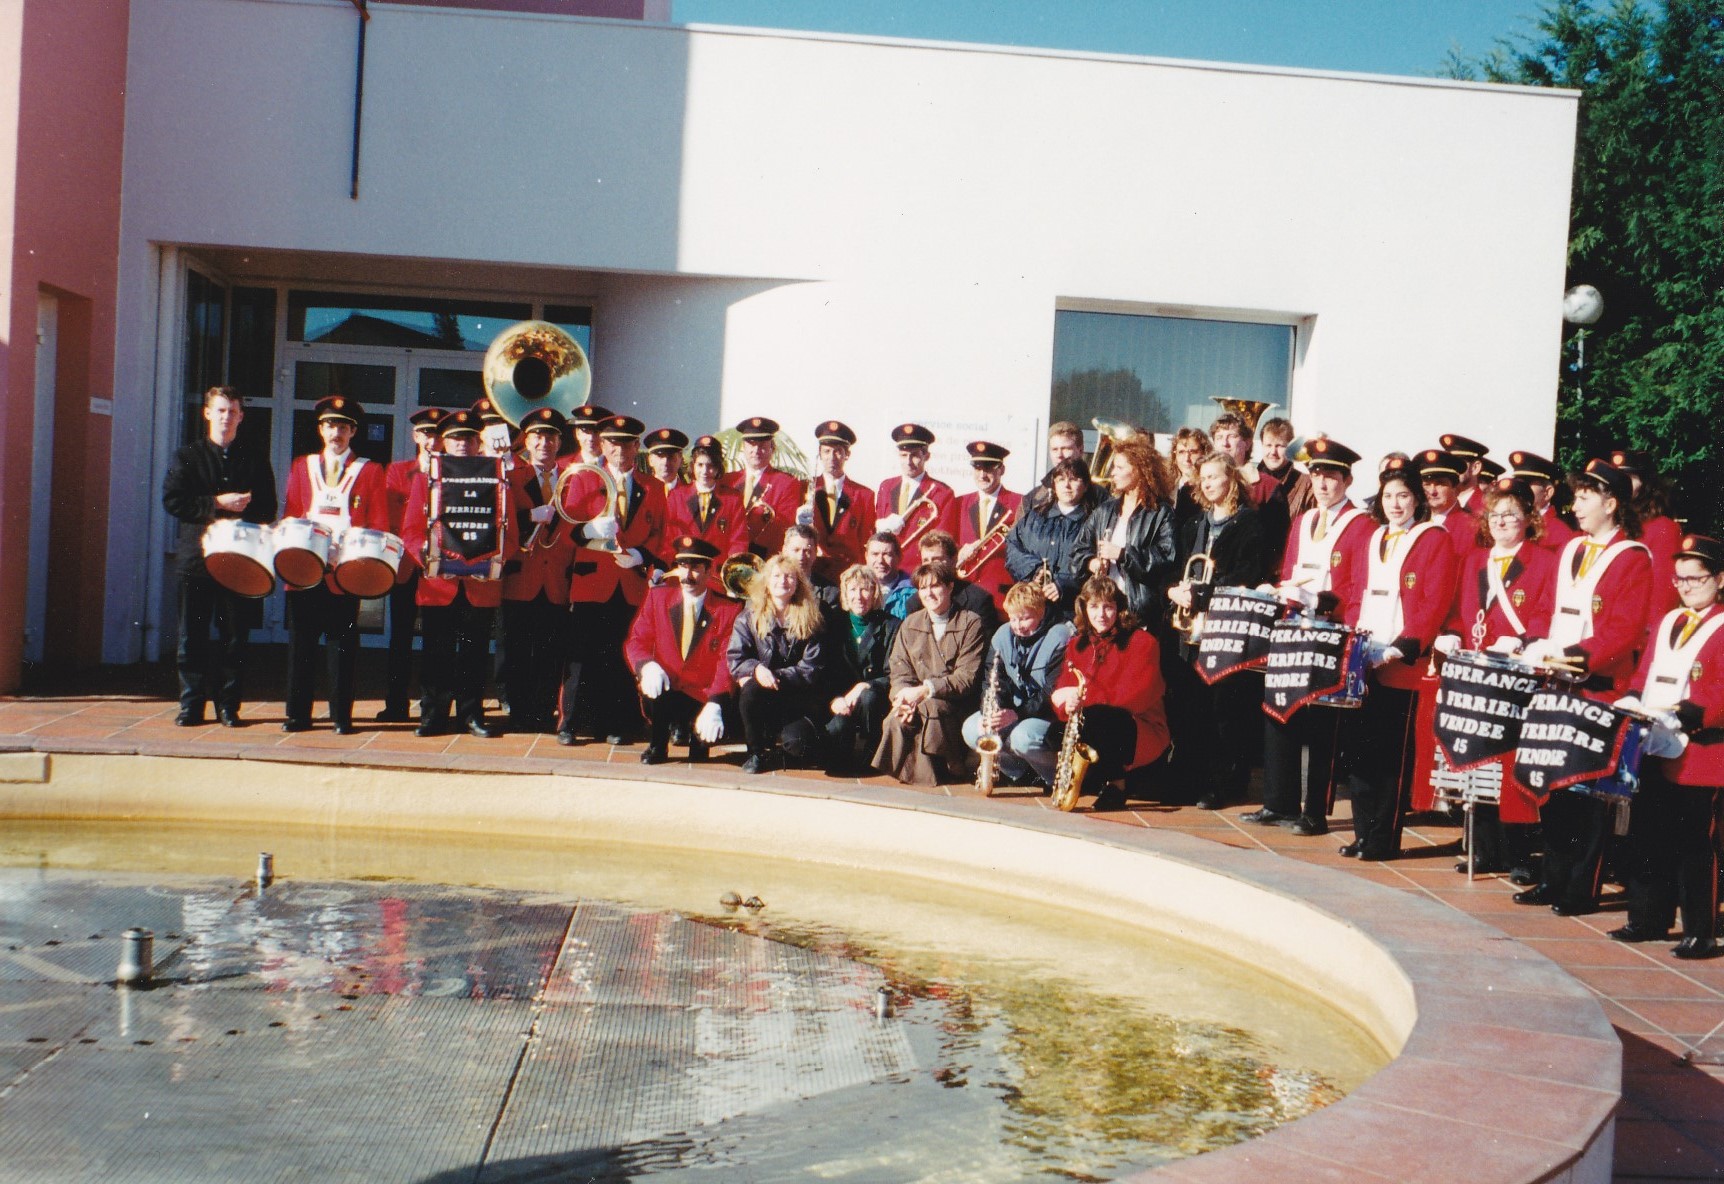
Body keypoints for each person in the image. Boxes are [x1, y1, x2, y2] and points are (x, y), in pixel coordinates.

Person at [1514, 459, 1654, 915]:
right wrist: (1536, 643)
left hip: (1597, 685)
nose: (1575, 506)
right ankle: (1552, 878)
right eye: (1576, 497)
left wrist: (1577, 656)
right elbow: (1548, 607)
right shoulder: (1571, 548)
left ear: (1611, 505)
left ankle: (1581, 888)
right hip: (1557, 682)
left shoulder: (1632, 556)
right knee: (1553, 785)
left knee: (1589, 790)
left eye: (1585, 498)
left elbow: (1625, 629)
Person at [1428, 477, 1557, 877]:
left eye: (1511, 514)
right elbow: (1457, 610)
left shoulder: (1545, 561)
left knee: (1510, 764)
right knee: (1477, 757)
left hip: (1515, 675)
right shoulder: (1474, 560)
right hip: (1476, 673)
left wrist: (1523, 640)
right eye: (1495, 515)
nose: (1501, 522)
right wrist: (1451, 633)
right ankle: (1483, 850)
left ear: (1528, 519)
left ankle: (1518, 854)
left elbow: (1546, 612)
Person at [1334, 456, 1458, 860]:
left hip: (1402, 664)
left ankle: (1383, 840)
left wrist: (1401, 646)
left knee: (1391, 757)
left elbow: (1434, 601)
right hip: (1365, 661)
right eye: (1388, 496)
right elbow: (1356, 592)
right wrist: (1357, 637)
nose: (1395, 504)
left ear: (1416, 499)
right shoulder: (1374, 537)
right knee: (1360, 753)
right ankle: (1362, 834)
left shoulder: (1434, 538)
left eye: (1403, 495)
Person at [1247, 438, 1373, 833]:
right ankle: (1278, 802)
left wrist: (1320, 603)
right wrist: (1281, 592)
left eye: (1331, 476)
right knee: (1279, 710)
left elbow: (1359, 584)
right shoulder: (1303, 521)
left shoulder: (1361, 524)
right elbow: (1290, 571)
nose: (1322, 483)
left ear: (1347, 480)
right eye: (1317, 474)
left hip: (1331, 629)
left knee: (1322, 726)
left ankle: (1315, 811)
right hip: (1295, 626)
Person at [1612, 534, 1724, 959]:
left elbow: (1720, 689)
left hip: (1700, 751)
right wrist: (1633, 697)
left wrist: (1688, 711)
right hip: (1655, 744)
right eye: (1680, 579)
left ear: (1719, 579)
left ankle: (1700, 931)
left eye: (1696, 579)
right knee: (1649, 835)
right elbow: (1647, 671)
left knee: (1695, 844)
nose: (1687, 587)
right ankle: (1647, 918)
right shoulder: (1668, 621)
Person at [161, 386, 279, 728]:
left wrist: (243, 511)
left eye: (233, 412)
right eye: (221, 410)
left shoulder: (254, 458)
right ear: (208, 413)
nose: (226, 417)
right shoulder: (187, 456)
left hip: (240, 561)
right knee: (192, 637)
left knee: (235, 638)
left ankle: (229, 706)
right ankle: (191, 706)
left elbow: (268, 508)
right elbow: (173, 501)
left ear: (241, 417)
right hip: (196, 561)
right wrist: (216, 503)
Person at [401, 408, 518, 738]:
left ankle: (471, 715)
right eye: (455, 438)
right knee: (435, 653)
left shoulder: (498, 479)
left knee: (475, 653)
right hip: (439, 583)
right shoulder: (427, 479)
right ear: (444, 442)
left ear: (478, 442)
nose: (462, 444)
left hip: (480, 583)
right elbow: (410, 530)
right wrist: (426, 554)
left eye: (468, 438)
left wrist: (494, 559)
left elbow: (510, 534)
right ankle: (433, 716)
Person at [280, 395, 389, 734]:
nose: (336, 433)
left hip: (345, 572)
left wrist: (348, 553)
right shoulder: (302, 466)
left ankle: (341, 715)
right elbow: (292, 513)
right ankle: (297, 714)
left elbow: (378, 524)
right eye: (330, 425)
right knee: (301, 644)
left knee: (342, 645)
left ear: (353, 431)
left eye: (343, 427)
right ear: (320, 429)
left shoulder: (370, 470)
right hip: (305, 568)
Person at [557, 414, 667, 745]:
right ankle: (569, 723)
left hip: (630, 582)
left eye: (627, 444)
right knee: (582, 656)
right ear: (603, 445)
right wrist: (587, 530)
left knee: (620, 657)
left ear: (637, 447)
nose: (620, 451)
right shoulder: (585, 478)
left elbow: (660, 534)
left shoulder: (653, 487)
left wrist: (643, 556)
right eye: (613, 443)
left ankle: (616, 723)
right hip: (591, 581)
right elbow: (566, 531)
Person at [1167, 453, 1268, 809]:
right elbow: (1178, 569)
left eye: (1214, 476)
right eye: (1203, 478)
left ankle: (1224, 783)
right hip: (1191, 627)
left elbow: (1248, 573)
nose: (1207, 483)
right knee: (1192, 704)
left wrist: (1202, 593)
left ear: (1232, 480)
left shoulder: (1250, 523)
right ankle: (1191, 778)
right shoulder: (1194, 524)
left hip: (1226, 625)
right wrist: (1175, 590)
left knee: (1225, 708)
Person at [1049, 576, 1171, 810]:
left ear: (1119, 609)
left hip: (1140, 727)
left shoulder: (1142, 641)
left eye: (1108, 607)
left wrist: (1080, 698)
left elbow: (1134, 697)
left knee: (1100, 719)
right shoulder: (1077, 644)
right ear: (1084, 609)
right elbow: (1063, 688)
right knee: (1054, 733)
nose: (1101, 615)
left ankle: (1117, 785)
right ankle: (1089, 780)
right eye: (1094, 606)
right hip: (1095, 720)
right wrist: (1066, 702)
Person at [626, 536, 742, 764]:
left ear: (709, 571)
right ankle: (657, 744)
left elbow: (726, 661)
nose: (687, 575)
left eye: (696, 568)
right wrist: (646, 666)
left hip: (702, 694)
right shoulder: (658, 597)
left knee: (699, 756)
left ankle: (696, 735)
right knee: (652, 688)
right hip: (667, 688)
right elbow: (637, 640)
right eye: (682, 566)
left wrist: (716, 701)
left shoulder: (728, 610)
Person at [872, 561, 988, 786]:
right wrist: (902, 698)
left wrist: (925, 691)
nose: (929, 593)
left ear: (950, 587)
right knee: (897, 718)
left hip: (955, 703)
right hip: (916, 700)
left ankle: (947, 768)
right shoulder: (910, 623)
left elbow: (966, 678)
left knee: (930, 708)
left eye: (935, 586)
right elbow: (899, 670)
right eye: (923, 588)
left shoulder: (970, 622)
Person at [500, 407, 575, 734]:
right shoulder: (513, 477)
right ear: (527, 441)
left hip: (557, 578)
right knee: (518, 649)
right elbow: (501, 521)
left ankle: (544, 711)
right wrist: (530, 516)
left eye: (551, 437)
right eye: (538, 436)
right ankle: (519, 713)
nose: (544, 443)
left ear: (559, 442)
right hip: (522, 577)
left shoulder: (572, 479)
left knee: (551, 650)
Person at [961, 581, 1073, 789]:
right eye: (1013, 618)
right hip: (1014, 709)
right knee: (972, 728)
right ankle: (1017, 774)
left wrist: (1017, 714)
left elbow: (1051, 692)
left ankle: (1053, 777)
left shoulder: (1060, 636)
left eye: (1025, 618)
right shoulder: (1002, 635)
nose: (1018, 626)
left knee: (1022, 737)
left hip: (1046, 714)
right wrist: (994, 711)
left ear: (1041, 612)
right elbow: (992, 679)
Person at [727, 553, 829, 772]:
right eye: (776, 576)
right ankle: (755, 753)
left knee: (799, 746)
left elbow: (811, 668)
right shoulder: (748, 617)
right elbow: (736, 657)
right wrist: (756, 668)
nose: (783, 581)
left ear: (798, 583)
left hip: (798, 698)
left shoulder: (812, 619)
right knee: (750, 688)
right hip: (762, 695)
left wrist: (776, 675)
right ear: (766, 582)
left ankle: (782, 743)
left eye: (789, 576)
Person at [1071, 434, 1177, 626]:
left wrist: (1122, 554)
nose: (1113, 473)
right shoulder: (1104, 510)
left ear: (1140, 470)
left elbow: (1166, 559)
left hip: (1138, 611)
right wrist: (1091, 562)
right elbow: (1078, 550)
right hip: (1103, 607)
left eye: (1119, 468)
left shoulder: (1161, 513)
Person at [378, 407, 442, 723]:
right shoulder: (398, 471)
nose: (432, 440)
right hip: (406, 563)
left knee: (436, 638)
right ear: (416, 436)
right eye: (426, 433)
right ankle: (396, 703)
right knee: (400, 637)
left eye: (437, 434)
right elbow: (394, 518)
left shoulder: (452, 473)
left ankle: (433, 705)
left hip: (439, 568)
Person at [823, 564, 902, 773]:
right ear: (845, 593)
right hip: (841, 701)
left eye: (865, 589)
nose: (859, 596)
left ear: (874, 592)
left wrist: (864, 686)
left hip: (876, 701)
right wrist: (835, 699)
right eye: (853, 589)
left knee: (869, 697)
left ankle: (872, 753)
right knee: (838, 731)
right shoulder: (833, 624)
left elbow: (894, 673)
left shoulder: (891, 626)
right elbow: (824, 671)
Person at [1005, 457, 1094, 613]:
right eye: (1061, 479)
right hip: (1029, 610)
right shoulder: (1034, 517)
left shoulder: (1094, 522)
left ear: (1086, 486)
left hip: (1071, 611)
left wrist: (1063, 585)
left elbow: (1093, 566)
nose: (1066, 485)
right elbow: (1012, 547)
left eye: (1074, 479)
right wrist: (1033, 570)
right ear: (1054, 485)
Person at [1612, 448, 1682, 640]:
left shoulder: (1663, 528)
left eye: (1629, 478)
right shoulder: (1608, 523)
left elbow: (1662, 598)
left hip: (1635, 638)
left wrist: (1645, 641)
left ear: (1645, 484)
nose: (1620, 485)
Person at [799, 420, 876, 583]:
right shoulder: (805, 488)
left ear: (847, 454)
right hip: (812, 572)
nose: (831, 457)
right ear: (820, 454)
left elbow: (865, 543)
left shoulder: (864, 495)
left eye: (838, 451)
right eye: (826, 451)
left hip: (847, 576)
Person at [666, 434, 746, 589]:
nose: (705, 471)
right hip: (683, 577)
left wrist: (730, 574)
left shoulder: (732, 499)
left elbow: (738, 541)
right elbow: (668, 539)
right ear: (693, 465)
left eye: (710, 466)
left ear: (718, 468)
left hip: (717, 578)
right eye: (700, 465)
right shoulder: (677, 496)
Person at [874, 423, 955, 572]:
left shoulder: (943, 493)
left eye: (915, 455)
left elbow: (942, 544)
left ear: (926, 456)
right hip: (886, 570)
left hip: (918, 572)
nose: (908, 462)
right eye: (903, 455)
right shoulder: (886, 487)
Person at [952, 441, 1022, 613]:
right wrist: (959, 553)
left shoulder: (1019, 503)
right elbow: (948, 544)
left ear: (1001, 470)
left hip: (1000, 597)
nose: (982, 474)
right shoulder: (959, 503)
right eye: (977, 468)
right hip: (965, 593)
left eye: (989, 468)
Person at [722, 416, 805, 558]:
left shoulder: (787, 483)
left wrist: (749, 553)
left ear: (772, 448)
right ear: (743, 447)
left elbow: (782, 527)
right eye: (751, 444)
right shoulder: (727, 480)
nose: (756, 450)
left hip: (764, 559)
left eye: (762, 445)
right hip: (727, 556)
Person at [915, 530, 998, 631]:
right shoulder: (915, 603)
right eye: (926, 561)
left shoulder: (978, 601)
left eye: (936, 560)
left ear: (954, 560)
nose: (931, 566)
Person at [1416, 449, 1480, 559]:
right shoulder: (1417, 523)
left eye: (1440, 484)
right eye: (1427, 484)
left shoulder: (1471, 527)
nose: (1432, 491)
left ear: (1454, 486)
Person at [1508, 450, 1578, 552]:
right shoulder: (1506, 524)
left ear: (1547, 492)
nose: (1520, 489)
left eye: (1527, 484)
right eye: (1518, 483)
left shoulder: (1560, 533)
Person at [864, 532, 917, 619]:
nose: (880, 560)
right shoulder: (854, 590)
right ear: (866, 556)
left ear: (899, 557)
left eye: (887, 554)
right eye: (875, 554)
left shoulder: (913, 593)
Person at [1440, 433, 1491, 515]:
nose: (1451, 468)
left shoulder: (1487, 508)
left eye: (1458, 463)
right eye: (1447, 463)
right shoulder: (1437, 505)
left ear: (1475, 468)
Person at [642, 428, 690, 498]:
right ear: (650, 460)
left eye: (670, 456)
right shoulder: (641, 494)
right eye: (660, 456)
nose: (665, 462)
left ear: (681, 460)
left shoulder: (691, 496)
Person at [568, 403, 611, 467]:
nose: (591, 438)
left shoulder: (616, 467)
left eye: (596, 432)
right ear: (577, 433)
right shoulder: (563, 467)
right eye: (586, 431)